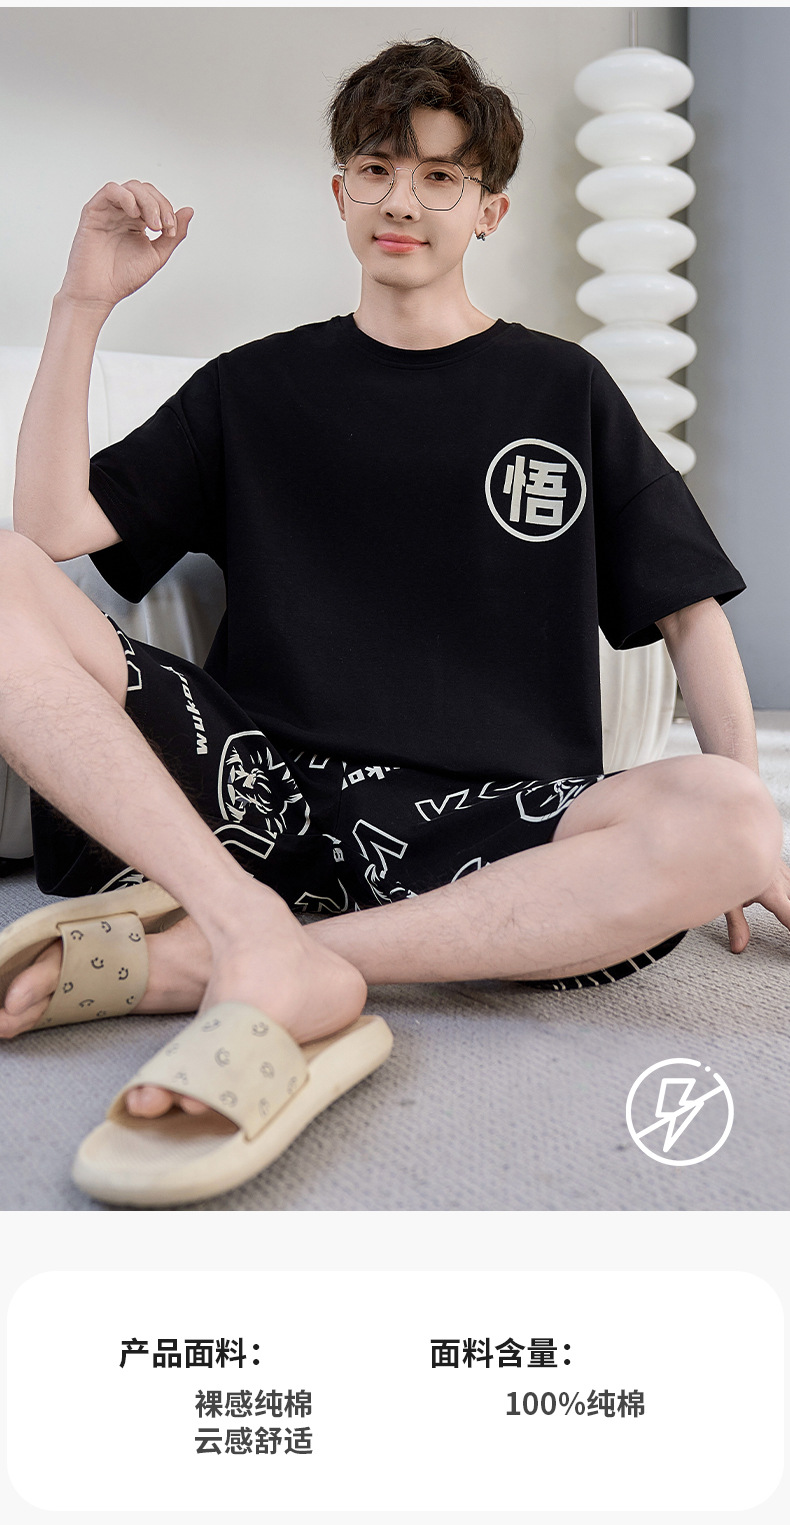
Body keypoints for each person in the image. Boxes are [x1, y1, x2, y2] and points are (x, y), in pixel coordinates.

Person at [0, 36, 786, 1137]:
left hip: (490, 837)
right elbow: (49, 531)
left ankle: (226, 960)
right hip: (253, 798)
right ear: (342, 194)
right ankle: (241, 922)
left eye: (439, 175)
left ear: (489, 210)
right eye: (375, 169)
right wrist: (82, 303)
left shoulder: (563, 386)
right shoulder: (254, 385)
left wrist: (751, 852)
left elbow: (687, 611)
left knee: (732, 814)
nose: (401, 200)